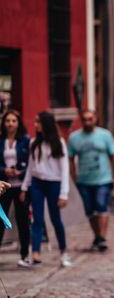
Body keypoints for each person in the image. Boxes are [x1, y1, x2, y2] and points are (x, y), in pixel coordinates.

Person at [68, 110, 114, 252]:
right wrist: (73, 177)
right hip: (84, 180)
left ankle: (102, 238)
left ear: (95, 119)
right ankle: (97, 236)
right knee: (90, 211)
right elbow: (70, 158)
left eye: (90, 119)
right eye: (85, 119)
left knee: (101, 206)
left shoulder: (105, 135)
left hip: (103, 179)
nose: (87, 122)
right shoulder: (74, 138)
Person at [19, 112, 71, 267]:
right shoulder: (34, 142)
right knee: (37, 219)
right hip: (37, 184)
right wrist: (24, 187)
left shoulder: (59, 143)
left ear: (46, 124)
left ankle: (63, 252)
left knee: (56, 219)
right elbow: (30, 167)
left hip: (54, 184)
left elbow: (64, 169)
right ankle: (35, 255)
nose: (35, 125)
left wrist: (64, 193)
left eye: (38, 122)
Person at [0, 110, 31, 266]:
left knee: (22, 220)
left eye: (13, 121)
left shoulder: (26, 140)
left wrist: (21, 172)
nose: (10, 123)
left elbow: (32, 164)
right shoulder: (1, 141)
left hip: (21, 186)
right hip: (4, 186)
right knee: (1, 219)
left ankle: (24, 254)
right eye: (8, 121)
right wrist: (4, 170)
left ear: (18, 123)